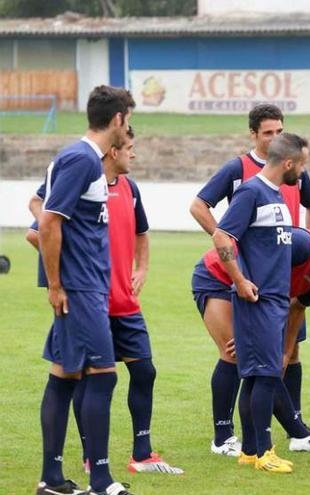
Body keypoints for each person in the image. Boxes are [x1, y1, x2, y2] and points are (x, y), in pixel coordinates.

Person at [28, 127, 184, 476]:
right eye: (130, 147)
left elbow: (142, 232)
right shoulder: (81, 173)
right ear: (113, 150)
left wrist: (141, 268)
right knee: (89, 377)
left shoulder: (130, 189)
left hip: (124, 301)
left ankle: (141, 455)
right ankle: (90, 458)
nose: (134, 154)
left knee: (144, 370)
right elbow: (38, 221)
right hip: (90, 298)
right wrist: (65, 273)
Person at [189, 104, 310, 455]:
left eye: (280, 131)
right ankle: (225, 437)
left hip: (276, 274)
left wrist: (307, 240)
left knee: (288, 354)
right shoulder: (243, 174)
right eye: (268, 132)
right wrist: (234, 248)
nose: (275, 137)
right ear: (253, 134)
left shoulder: (290, 174)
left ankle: (293, 432)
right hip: (232, 275)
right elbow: (200, 207)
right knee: (238, 355)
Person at [36, 85, 136, 495]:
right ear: (116, 120)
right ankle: (100, 480)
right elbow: (48, 222)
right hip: (79, 289)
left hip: (85, 286)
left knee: (64, 375)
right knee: (103, 377)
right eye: (127, 121)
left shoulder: (84, 160)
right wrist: (57, 285)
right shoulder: (80, 159)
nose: (128, 129)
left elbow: (48, 213)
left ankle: (52, 479)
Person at [194, 227, 310, 453]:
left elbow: (297, 308)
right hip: (218, 276)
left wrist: (286, 352)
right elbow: (256, 277)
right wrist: (249, 335)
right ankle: (222, 439)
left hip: (256, 292)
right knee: (234, 354)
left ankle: (298, 436)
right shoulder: (298, 245)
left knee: (267, 362)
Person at [211, 132, 308, 474]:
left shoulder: (278, 194)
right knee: (266, 375)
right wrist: (239, 280)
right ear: (289, 163)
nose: (304, 173)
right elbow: (221, 235)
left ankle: (250, 450)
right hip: (259, 300)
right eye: (303, 165)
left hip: (276, 300)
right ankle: (265, 451)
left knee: (254, 377)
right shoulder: (251, 191)